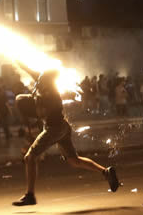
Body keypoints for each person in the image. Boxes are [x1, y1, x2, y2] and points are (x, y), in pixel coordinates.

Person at [12, 64, 120, 206]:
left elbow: (52, 71)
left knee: (30, 157)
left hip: (55, 129)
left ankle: (30, 195)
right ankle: (106, 172)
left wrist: (43, 75)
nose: (36, 114)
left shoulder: (49, 92)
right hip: (62, 127)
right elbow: (33, 72)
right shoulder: (41, 89)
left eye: (35, 111)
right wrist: (18, 61)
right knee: (74, 160)